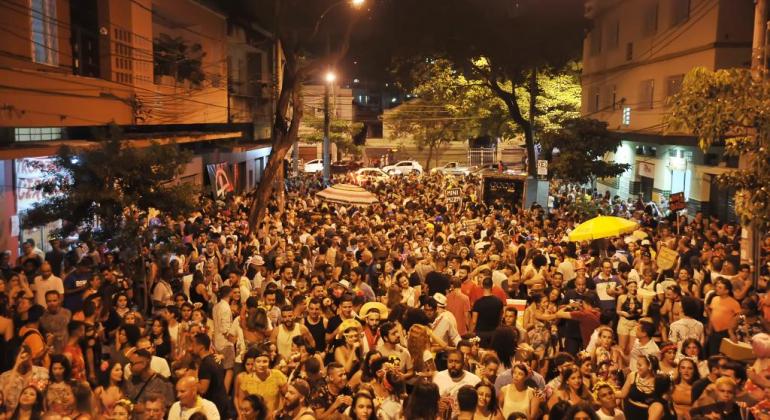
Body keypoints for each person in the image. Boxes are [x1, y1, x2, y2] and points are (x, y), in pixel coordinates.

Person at [121, 348, 174, 417]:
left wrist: (146, 409)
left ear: (145, 363)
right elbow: (124, 400)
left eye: (132, 363)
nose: (129, 367)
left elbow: (169, 408)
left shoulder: (163, 383)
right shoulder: (131, 379)